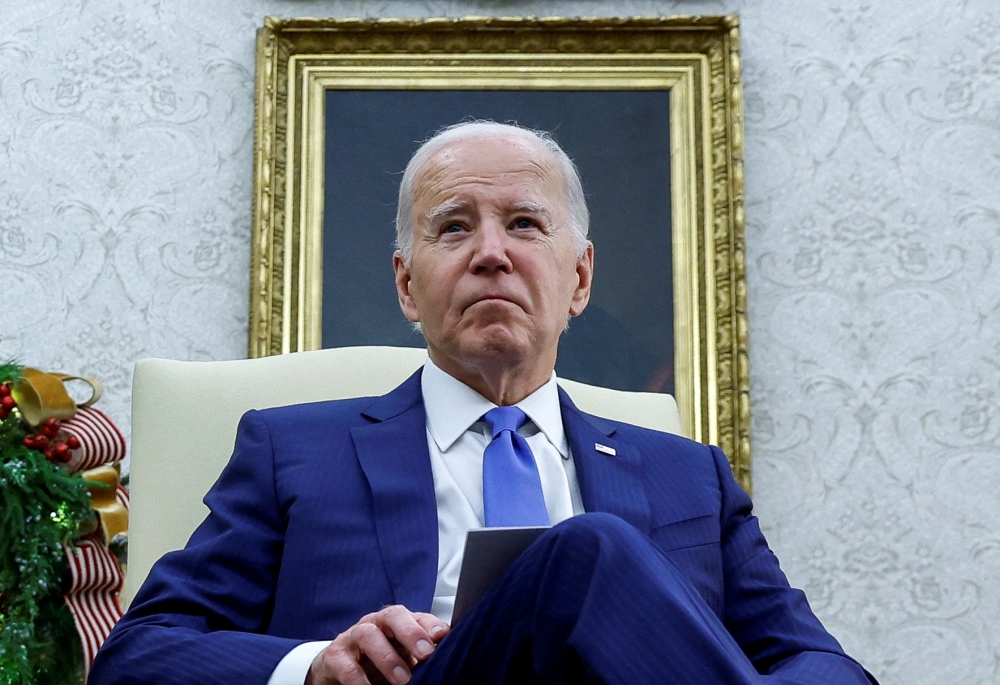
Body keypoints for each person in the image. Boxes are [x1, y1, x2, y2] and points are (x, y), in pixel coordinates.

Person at [90, 121, 876, 685]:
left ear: (579, 279)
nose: (491, 253)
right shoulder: (293, 452)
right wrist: (315, 663)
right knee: (583, 551)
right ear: (408, 284)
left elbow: (822, 662)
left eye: (525, 224)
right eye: (454, 227)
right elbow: (138, 655)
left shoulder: (689, 477)